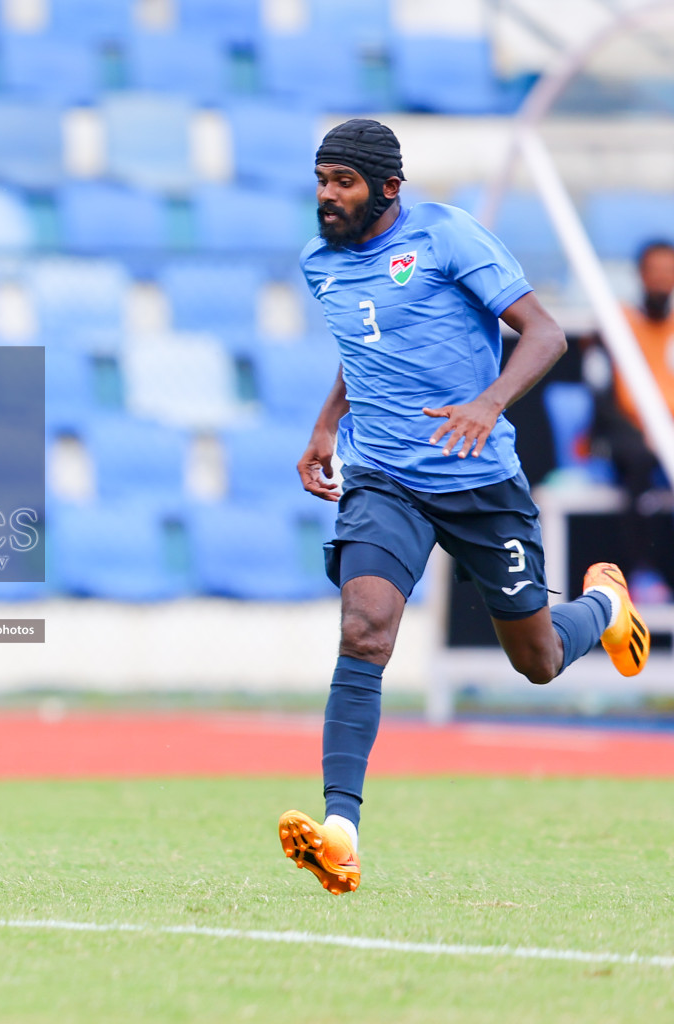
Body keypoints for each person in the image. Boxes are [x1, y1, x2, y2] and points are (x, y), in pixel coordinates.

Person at [278, 119, 648, 895]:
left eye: (343, 182)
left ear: (388, 188)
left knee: (538, 661)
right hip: (384, 476)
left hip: (478, 478)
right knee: (365, 628)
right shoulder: (320, 264)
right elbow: (365, 347)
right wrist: (326, 423)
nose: (327, 197)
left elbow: (546, 336)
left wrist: (488, 402)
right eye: (322, 181)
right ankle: (340, 831)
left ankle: (605, 604)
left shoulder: (451, 238)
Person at [586, 239, 674, 599]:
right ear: (640, 275)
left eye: (668, 273)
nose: (661, 280)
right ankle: (640, 572)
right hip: (625, 431)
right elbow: (600, 394)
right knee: (637, 459)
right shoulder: (616, 323)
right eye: (654, 272)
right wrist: (644, 432)